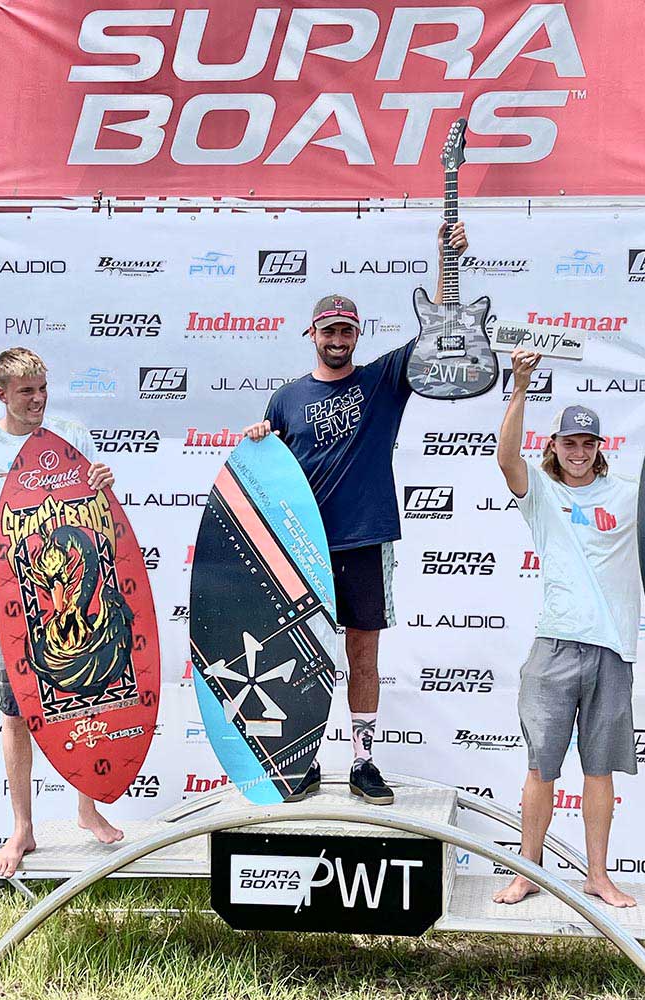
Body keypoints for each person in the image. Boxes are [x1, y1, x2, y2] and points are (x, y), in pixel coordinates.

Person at [242, 221, 468, 805]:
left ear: (356, 334)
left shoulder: (383, 380)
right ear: (312, 334)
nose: (338, 337)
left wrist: (446, 255)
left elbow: (437, 325)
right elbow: (268, 472)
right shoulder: (286, 398)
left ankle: (364, 761)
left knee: (362, 651)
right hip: (302, 544)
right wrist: (258, 439)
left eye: (347, 329)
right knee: (300, 655)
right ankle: (301, 756)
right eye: (329, 329)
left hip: (365, 540)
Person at [0, 348, 123, 878]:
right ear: (2, 394)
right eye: (26, 391)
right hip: (16, 600)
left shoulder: (70, 434)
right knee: (15, 712)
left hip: (74, 592)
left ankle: (86, 810)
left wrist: (105, 488)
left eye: (42, 388)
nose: (37, 400)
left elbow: (96, 515)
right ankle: (23, 827)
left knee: (83, 703)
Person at [494, 348, 639, 908]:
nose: (578, 452)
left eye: (587, 442)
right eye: (569, 442)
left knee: (599, 772)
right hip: (553, 647)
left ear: (600, 448)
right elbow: (506, 459)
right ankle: (527, 871)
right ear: (553, 446)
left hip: (612, 651)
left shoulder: (628, 495)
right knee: (540, 768)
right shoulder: (543, 495)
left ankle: (597, 877)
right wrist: (521, 386)